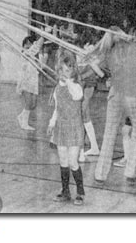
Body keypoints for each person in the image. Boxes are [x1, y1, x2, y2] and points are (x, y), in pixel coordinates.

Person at [90, 27, 136, 185]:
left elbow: (93, 63)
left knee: (109, 133)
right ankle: (130, 171)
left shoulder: (108, 51)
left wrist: (104, 75)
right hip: (132, 95)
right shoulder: (134, 47)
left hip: (114, 94)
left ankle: (100, 173)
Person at [47, 54, 85, 205]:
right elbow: (57, 109)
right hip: (61, 127)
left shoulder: (76, 87)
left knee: (72, 161)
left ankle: (80, 192)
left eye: (68, 70)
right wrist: (51, 123)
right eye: (61, 70)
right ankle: (65, 191)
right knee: (63, 160)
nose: (64, 73)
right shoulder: (57, 89)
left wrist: (68, 81)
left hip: (74, 127)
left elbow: (77, 96)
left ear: (73, 72)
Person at [16, 34, 45, 130]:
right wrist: (43, 36)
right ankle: (24, 123)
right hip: (25, 81)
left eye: (30, 43)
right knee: (28, 103)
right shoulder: (25, 54)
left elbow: (41, 66)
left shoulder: (35, 56)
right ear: (23, 46)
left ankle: (21, 116)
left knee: (33, 104)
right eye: (26, 44)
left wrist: (40, 53)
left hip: (33, 81)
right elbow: (33, 50)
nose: (28, 46)